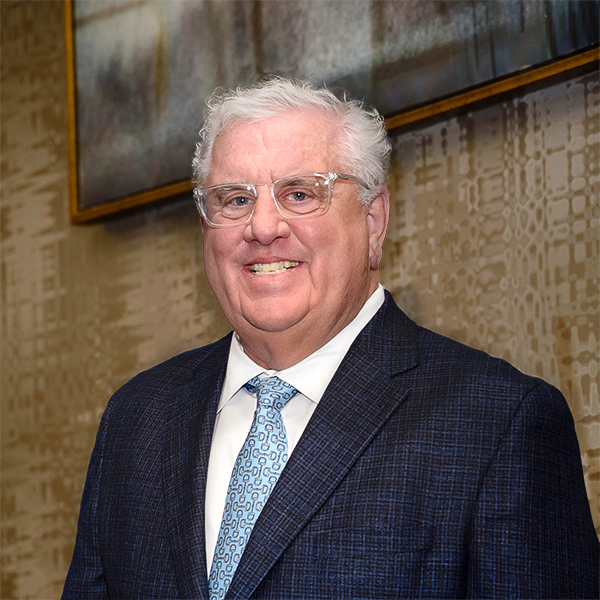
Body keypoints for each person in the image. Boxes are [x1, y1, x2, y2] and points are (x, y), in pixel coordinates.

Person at [63, 78, 598, 600]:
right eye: (233, 200)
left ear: (373, 221)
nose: (263, 226)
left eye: (299, 194)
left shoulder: (498, 423)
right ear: (206, 227)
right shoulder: (136, 419)